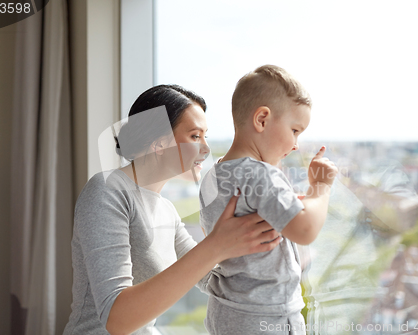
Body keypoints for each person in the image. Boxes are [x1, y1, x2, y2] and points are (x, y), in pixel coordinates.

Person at [62, 84, 283, 335]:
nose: (207, 149)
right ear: (159, 143)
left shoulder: (166, 210)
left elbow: (213, 278)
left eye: (205, 137)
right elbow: (117, 318)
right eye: (195, 136)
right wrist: (216, 244)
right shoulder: (107, 191)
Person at [199, 65, 338, 334]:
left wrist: (288, 201)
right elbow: (305, 229)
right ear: (262, 119)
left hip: (225, 311)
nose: (296, 144)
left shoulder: (213, 175)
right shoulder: (260, 174)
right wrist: (320, 186)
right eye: (295, 130)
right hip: (266, 318)